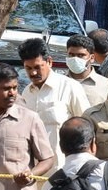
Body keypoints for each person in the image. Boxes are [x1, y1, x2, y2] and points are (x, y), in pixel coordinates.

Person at [19, 38, 90, 173]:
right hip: (33, 173)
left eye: (37, 67)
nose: (33, 73)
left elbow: (86, 128)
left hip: (65, 171)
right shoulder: (26, 93)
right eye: (28, 68)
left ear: (49, 62)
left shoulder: (70, 87)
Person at [64, 34, 108, 108]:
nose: (75, 59)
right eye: (71, 55)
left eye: (80, 55)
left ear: (91, 58)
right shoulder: (59, 82)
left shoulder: (105, 84)